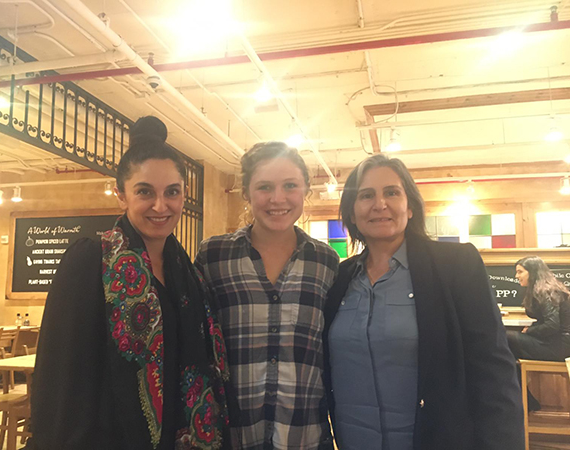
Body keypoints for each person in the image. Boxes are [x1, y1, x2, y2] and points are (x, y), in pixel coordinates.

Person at [31, 125, 231, 449]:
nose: (160, 205)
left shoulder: (191, 277)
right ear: (121, 194)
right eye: (145, 191)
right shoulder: (90, 262)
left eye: (172, 192)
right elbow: (58, 379)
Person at [323, 154, 524, 450]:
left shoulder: (455, 265)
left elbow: (494, 371)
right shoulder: (338, 279)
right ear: (351, 213)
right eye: (366, 195)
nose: (380, 204)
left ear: (410, 206)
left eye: (391, 192)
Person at [195, 142, 340, 450]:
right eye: (264, 187)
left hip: (304, 435)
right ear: (246, 193)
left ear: (305, 191)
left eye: (290, 185)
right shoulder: (214, 256)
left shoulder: (325, 262)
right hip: (233, 434)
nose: (278, 198)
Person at [507, 256, 570, 361]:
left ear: (533, 272)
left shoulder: (546, 291)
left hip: (560, 346)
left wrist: (530, 331)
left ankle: (515, 375)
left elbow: (552, 325)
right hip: (558, 343)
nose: (516, 276)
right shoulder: (545, 289)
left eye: (520, 272)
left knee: (506, 337)